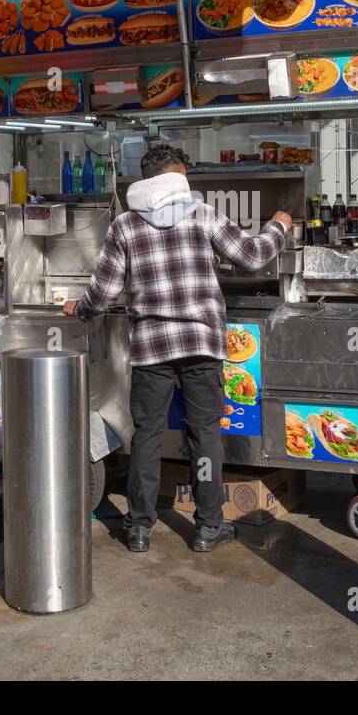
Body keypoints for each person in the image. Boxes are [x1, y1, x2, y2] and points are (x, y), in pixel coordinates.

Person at [65, 143, 291, 553]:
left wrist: (78, 310)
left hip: (151, 348)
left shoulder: (125, 226)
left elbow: (103, 293)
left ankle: (138, 529)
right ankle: (207, 529)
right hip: (202, 344)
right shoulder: (201, 215)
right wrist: (279, 224)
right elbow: (254, 256)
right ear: (174, 175)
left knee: (147, 437)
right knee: (205, 436)